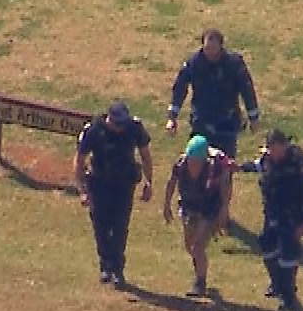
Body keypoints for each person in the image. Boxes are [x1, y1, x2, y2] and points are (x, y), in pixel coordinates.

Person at [237, 128, 303, 311]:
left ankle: (289, 297)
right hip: (273, 213)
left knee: (289, 255)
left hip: (292, 215)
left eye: (275, 150)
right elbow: (259, 166)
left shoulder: (297, 161)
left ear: (283, 146)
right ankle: (277, 284)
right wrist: (239, 167)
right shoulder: (268, 158)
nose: (272, 155)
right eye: (270, 150)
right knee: (267, 247)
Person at [73, 101, 153, 287]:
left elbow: (145, 155)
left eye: (122, 125)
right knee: (101, 227)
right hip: (99, 185)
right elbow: (79, 160)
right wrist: (82, 190)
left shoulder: (134, 128)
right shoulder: (94, 130)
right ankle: (105, 267)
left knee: (119, 228)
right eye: (117, 124)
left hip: (123, 186)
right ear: (109, 119)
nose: (120, 129)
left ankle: (117, 269)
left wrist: (149, 182)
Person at [166, 28, 260, 158]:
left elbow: (247, 90)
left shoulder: (234, 64)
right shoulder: (194, 63)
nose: (210, 53)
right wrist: (172, 117)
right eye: (207, 49)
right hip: (201, 122)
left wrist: (253, 117)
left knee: (225, 165)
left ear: (221, 47)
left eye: (214, 49)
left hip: (226, 124)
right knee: (197, 161)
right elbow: (180, 88)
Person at [161, 134, 234, 296]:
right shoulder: (181, 165)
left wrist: (224, 210)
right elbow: (171, 183)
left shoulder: (215, 168)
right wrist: (166, 205)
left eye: (196, 162)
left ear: (203, 161)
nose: (192, 165)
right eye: (190, 160)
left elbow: (225, 187)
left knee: (198, 246)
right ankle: (200, 273)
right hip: (189, 206)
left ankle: (200, 283)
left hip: (209, 208)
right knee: (190, 246)